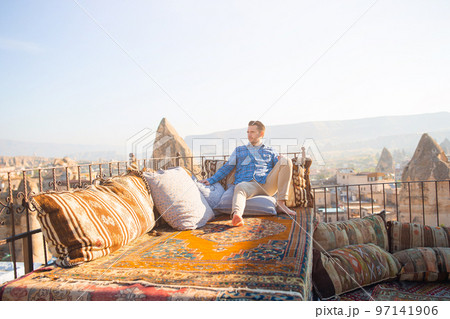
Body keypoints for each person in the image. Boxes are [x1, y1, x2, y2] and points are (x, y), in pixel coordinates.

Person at [199, 120, 296, 227]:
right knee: (239, 187)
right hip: (247, 185)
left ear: (261, 134)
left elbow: (281, 170)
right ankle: (237, 215)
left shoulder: (270, 151)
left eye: (252, 132)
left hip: (267, 185)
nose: (249, 135)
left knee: (286, 160)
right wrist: (211, 180)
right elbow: (227, 168)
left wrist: (281, 160)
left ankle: (281, 204)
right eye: (248, 132)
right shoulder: (239, 150)